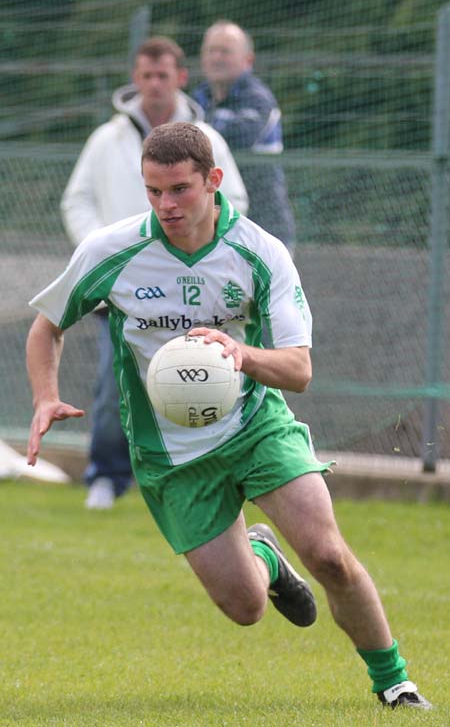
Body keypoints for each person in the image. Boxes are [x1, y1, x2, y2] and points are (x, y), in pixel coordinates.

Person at [27, 122, 431, 711]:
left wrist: (241, 353)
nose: (166, 205)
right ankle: (263, 555)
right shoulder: (112, 251)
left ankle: (395, 683)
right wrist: (44, 396)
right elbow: (48, 326)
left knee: (326, 554)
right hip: (172, 455)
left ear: (214, 181)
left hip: (254, 425)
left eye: (180, 189)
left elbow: (298, 369)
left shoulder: (259, 252)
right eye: (154, 191)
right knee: (245, 608)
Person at [60, 37, 248, 510]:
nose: (154, 85)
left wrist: (203, 252)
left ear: (180, 78)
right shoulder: (106, 139)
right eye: (145, 76)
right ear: (135, 79)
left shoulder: (210, 142)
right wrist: (105, 254)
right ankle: (107, 475)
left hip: (198, 295)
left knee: (206, 380)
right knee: (113, 391)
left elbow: (236, 205)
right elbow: (76, 201)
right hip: (125, 295)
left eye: (163, 75)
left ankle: (207, 477)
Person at [192, 20, 296, 251]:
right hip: (217, 229)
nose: (217, 57)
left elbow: (234, 139)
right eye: (211, 50)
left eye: (225, 51)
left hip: (265, 228)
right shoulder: (198, 98)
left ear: (248, 60)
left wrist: (198, 129)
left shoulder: (259, 99)